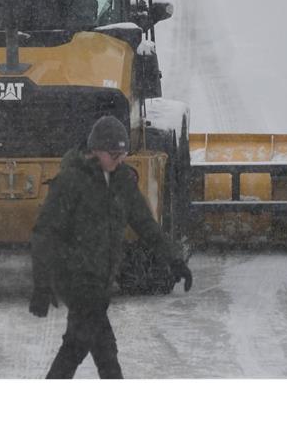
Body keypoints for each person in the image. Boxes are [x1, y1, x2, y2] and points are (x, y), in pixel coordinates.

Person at [29, 115, 193, 379]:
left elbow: (144, 223)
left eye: (123, 153)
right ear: (95, 151)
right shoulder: (71, 182)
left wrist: (175, 259)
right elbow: (45, 234)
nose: (120, 160)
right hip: (74, 277)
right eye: (114, 154)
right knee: (103, 352)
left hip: (101, 278)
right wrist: (42, 284)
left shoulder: (123, 181)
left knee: (78, 345)